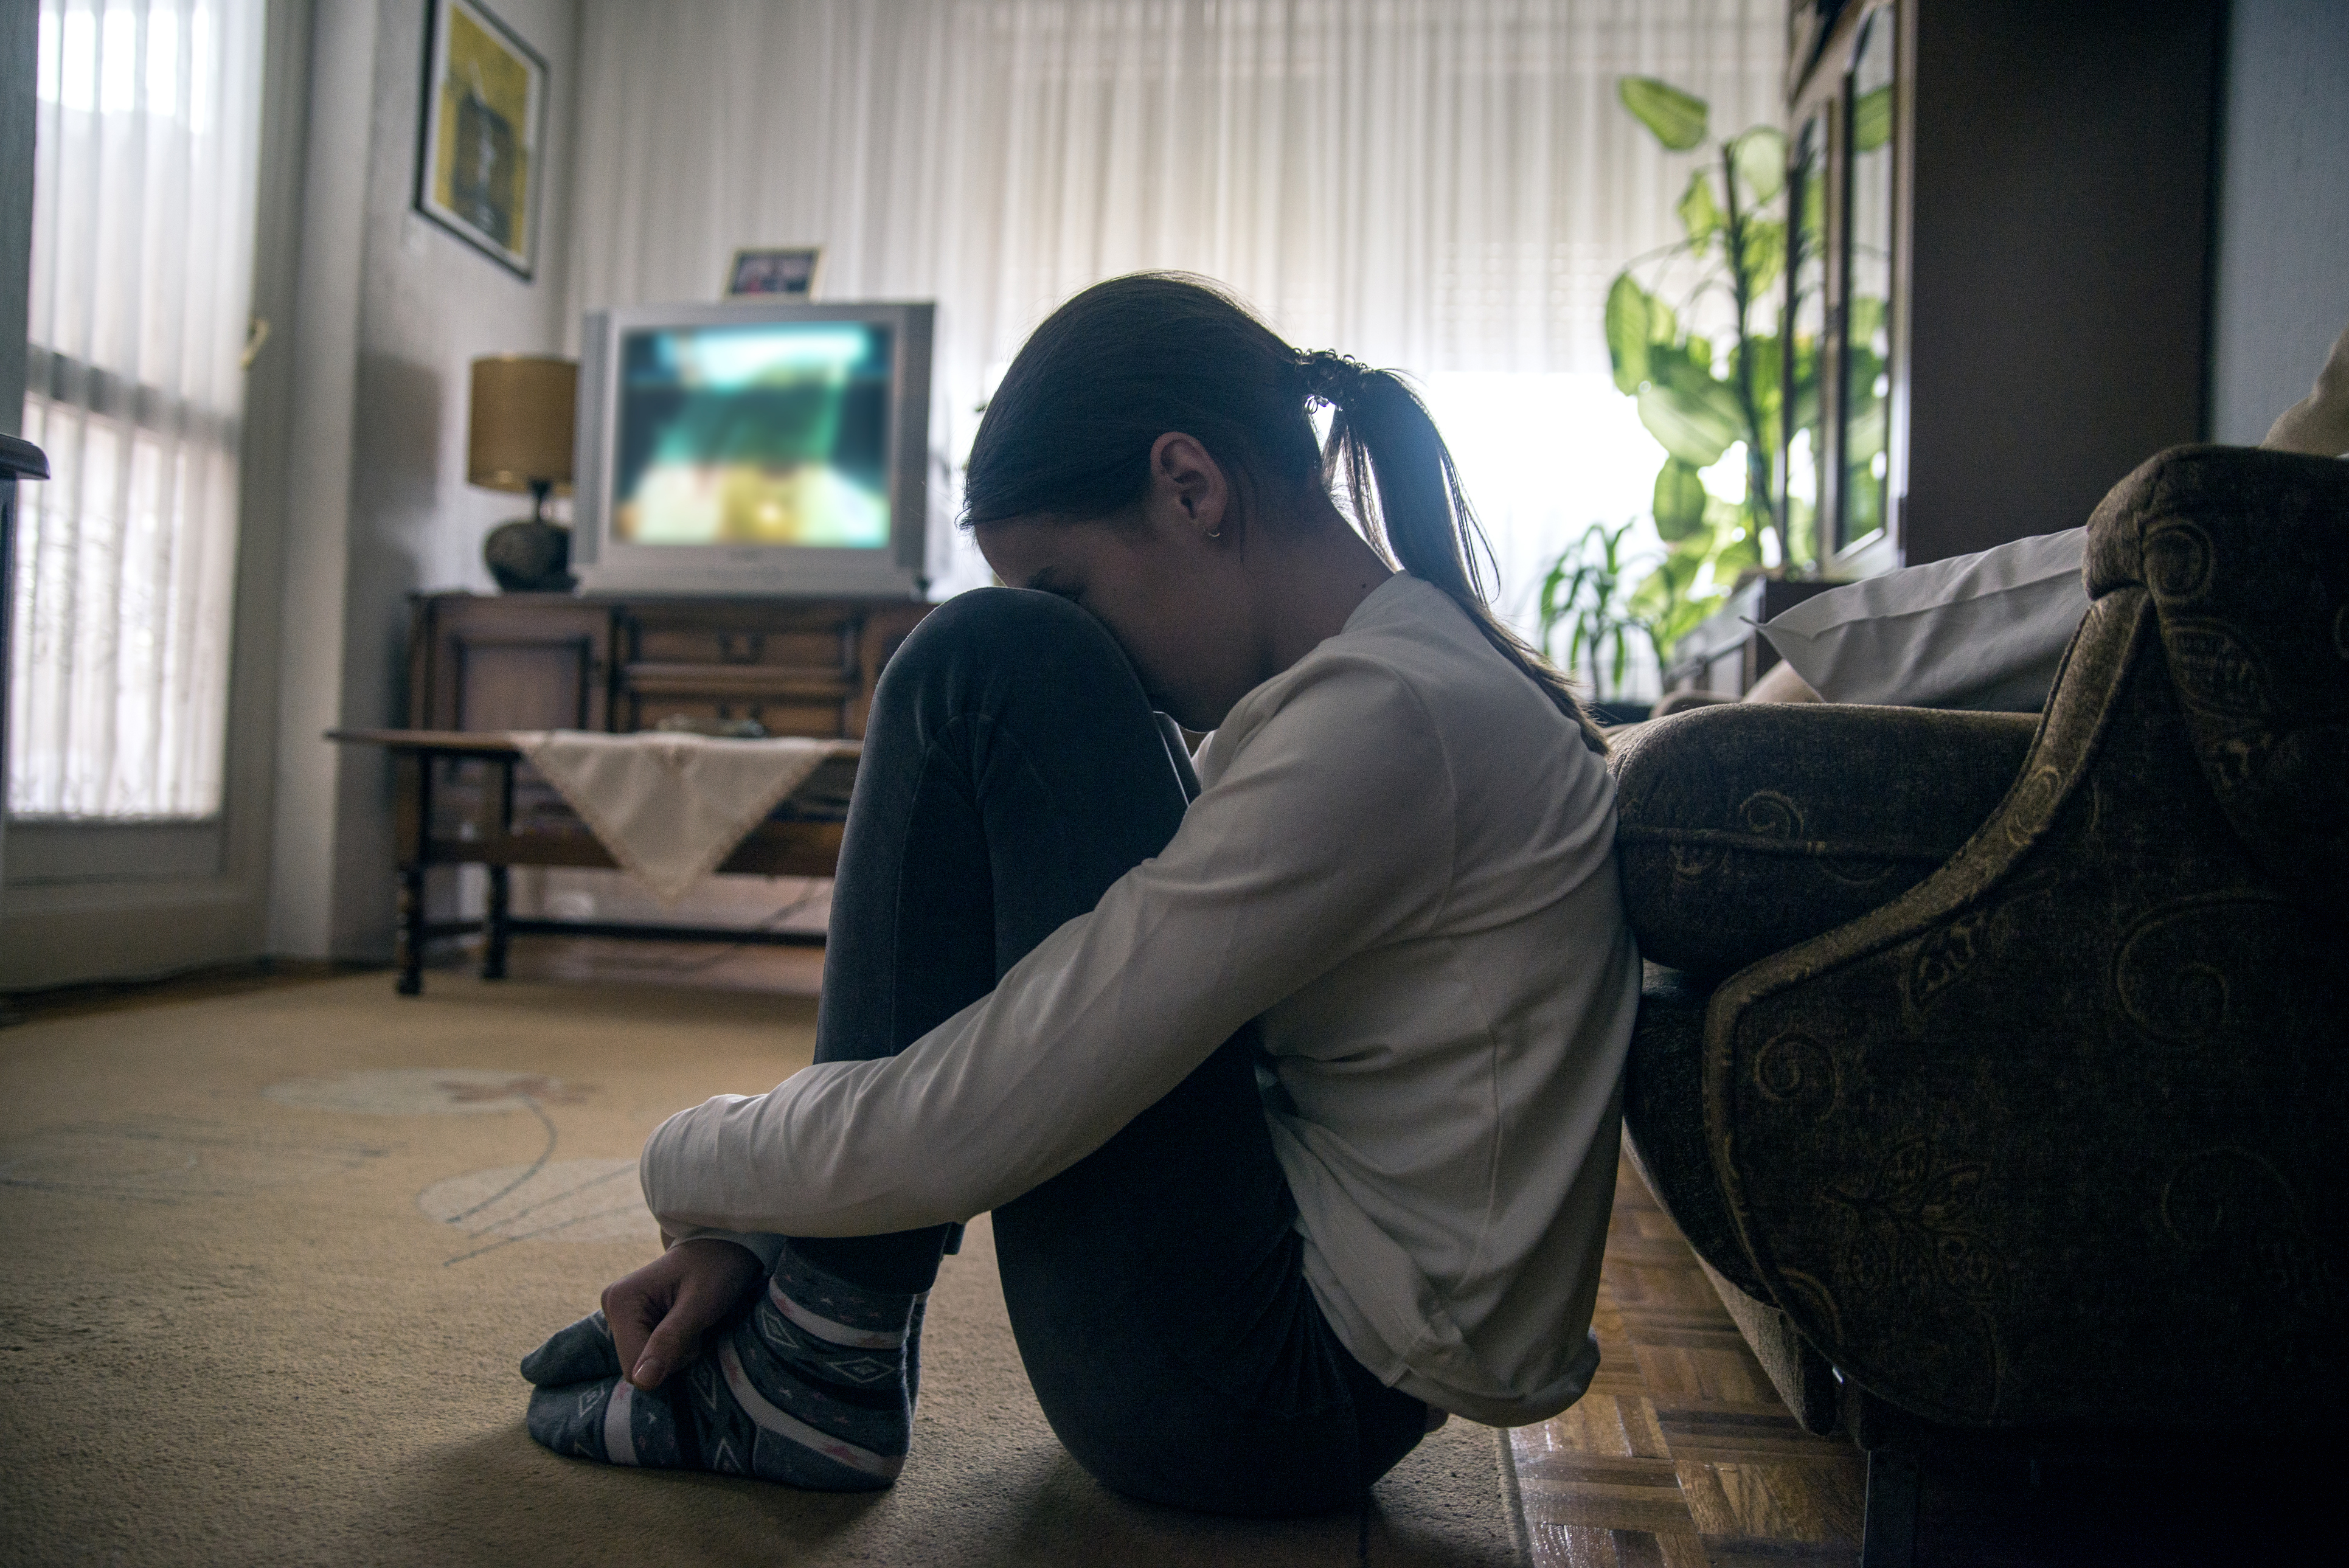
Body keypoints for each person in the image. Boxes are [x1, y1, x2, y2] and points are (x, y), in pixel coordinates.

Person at [516, 273, 1642, 1516]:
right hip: (1297, 1359)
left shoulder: (1387, 722)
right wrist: (746, 1231)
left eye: (1072, 586)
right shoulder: (1379, 691)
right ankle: (815, 1339)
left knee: (986, 660)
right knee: (998, 659)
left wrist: (689, 1156)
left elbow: (988, 1106)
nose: (1095, 652)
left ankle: (817, 1357)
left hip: (1262, 1396)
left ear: (1190, 486)